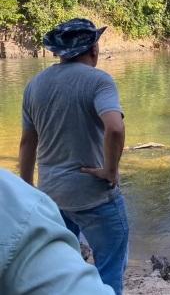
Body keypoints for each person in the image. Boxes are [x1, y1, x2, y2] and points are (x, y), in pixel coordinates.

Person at [19, 18, 128, 295]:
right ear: (94, 49)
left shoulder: (35, 85)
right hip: (93, 194)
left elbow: (27, 142)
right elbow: (115, 128)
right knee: (109, 268)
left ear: (59, 52)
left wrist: (27, 188)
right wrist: (110, 171)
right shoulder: (99, 80)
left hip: (52, 195)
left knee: (62, 268)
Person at [0, 168, 114, 294]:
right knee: (111, 260)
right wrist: (111, 170)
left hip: (52, 190)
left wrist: (27, 186)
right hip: (90, 192)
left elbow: (28, 147)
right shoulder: (16, 211)